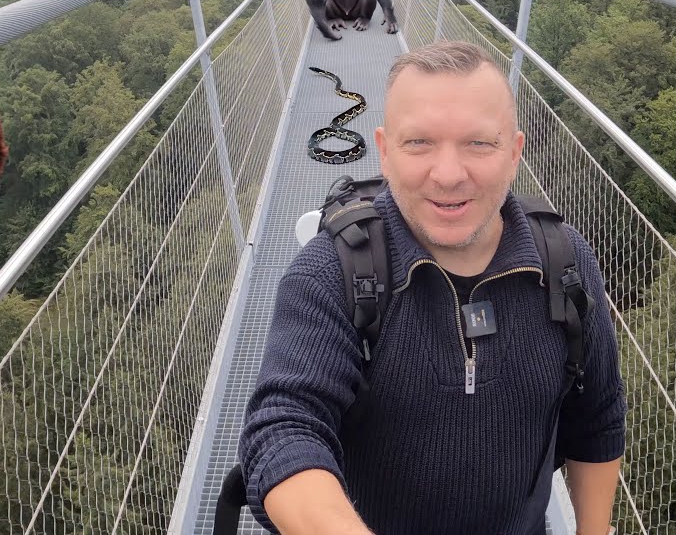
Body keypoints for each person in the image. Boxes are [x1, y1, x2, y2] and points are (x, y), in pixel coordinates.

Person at [237, 40, 627, 534]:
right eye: (418, 143)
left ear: (513, 152)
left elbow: (597, 416)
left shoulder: (564, 264)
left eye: (479, 143)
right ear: (383, 151)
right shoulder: (333, 272)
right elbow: (284, 429)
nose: (447, 175)